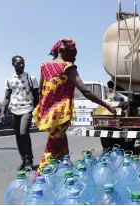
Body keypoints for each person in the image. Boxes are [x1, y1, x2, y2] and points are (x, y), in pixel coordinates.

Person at [32, 38, 116, 173]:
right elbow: (86, 91)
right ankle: (41, 178)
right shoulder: (67, 67)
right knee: (52, 147)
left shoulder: (44, 67)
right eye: (73, 54)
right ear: (62, 51)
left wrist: (42, 109)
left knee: (61, 143)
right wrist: (106, 105)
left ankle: (65, 172)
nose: (74, 58)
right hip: (60, 113)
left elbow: (40, 92)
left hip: (48, 113)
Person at [1, 55, 39, 171]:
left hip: (27, 109)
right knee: (18, 136)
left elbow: (37, 96)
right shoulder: (9, 80)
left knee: (23, 133)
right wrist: (3, 112)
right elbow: (7, 97)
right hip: (14, 110)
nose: (22, 65)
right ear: (13, 64)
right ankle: (24, 160)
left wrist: (38, 111)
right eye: (19, 63)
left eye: (23, 63)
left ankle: (29, 160)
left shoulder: (30, 78)